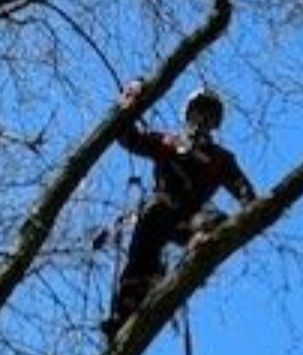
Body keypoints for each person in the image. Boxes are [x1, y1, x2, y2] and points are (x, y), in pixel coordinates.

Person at [104, 80, 256, 338]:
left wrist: (254, 208)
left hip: (193, 216)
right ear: (189, 114)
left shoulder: (221, 158)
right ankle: (127, 307)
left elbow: (244, 191)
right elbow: (129, 138)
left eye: (208, 114)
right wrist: (129, 103)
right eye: (199, 112)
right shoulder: (168, 141)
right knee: (146, 238)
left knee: (213, 219)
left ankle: (202, 247)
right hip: (161, 209)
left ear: (214, 122)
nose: (202, 118)